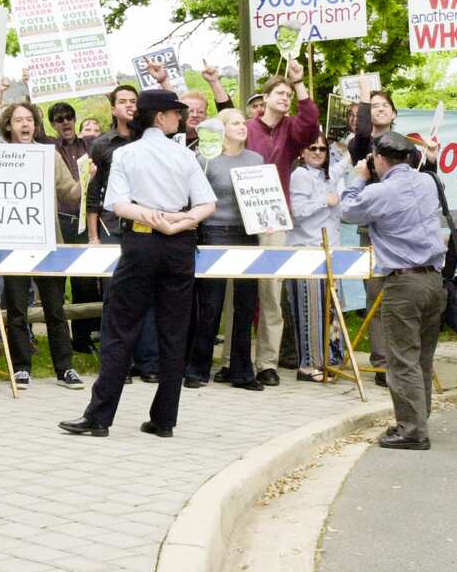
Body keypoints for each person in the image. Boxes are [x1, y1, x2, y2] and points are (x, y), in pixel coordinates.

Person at [59, 89, 216, 438]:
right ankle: (164, 420)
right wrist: (181, 221)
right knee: (174, 331)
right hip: (179, 244)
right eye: (176, 113)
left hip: (141, 241)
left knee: (120, 329)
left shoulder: (128, 154)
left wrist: (151, 217)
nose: (181, 117)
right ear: (160, 117)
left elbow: (116, 203)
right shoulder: (183, 156)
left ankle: (99, 416)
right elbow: (207, 204)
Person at [339, 132, 447, 450]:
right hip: (433, 280)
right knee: (423, 358)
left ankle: (412, 430)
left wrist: (359, 178)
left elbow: (347, 210)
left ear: (380, 159)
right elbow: (427, 173)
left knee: (401, 360)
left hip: (403, 283)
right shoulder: (428, 183)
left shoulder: (380, 192)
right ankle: (418, 418)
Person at [0, 103, 84, 389]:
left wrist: (87, 180)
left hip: (48, 242)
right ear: (8, 125)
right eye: (18, 119)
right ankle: (21, 367)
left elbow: (69, 191)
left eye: (29, 120)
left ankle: (65, 368)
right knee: (18, 309)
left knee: (55, 309)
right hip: (14, 243)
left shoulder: (50, 155)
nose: (25, 124)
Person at [244, 60, 319, 386]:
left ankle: (267, 362)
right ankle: (233, 360)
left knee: (271, 293)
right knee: (238, 292)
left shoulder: (291, 129)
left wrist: (300, 83)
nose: (285, 97)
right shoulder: (246, 128)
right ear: (264, 98)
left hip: (275, 218)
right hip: (242, 216)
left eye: (289, 94)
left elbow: (311, 126)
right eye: (280, 92)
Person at [185, 109, 264, 390]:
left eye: (244, 122)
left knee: (245, 305)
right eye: (235, 123)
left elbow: (263, 199)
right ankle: (197, 369)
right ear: (222, 129)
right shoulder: (205, 160)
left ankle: (242, 372)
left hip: (247, 235)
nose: (242, 127)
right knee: (210, 305)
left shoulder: (256, 160)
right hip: (214, 233)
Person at [86, 84, 159, 382]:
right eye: (123, 101)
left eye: (134, 101)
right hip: (112, 227)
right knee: (115, 298)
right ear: (113, 108)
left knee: (148, 296)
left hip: (148, 227)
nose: (129, 106)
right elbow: (94, 192)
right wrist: (93, 236)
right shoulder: (102, 144)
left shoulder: (152, 141)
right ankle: (117, 363)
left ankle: (149, 363)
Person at [287, 133, 344, 383]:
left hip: (330, 249)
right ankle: (309, 365)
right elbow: (296, 212)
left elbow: (346, 163)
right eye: (313, 147)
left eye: (323, 148)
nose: (319, 152)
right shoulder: (300, 175)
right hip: (306, 249)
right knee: (311, 311)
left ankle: (331, 360)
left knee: (332, 309)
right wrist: (324, 200)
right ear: (302, 152)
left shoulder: (326, 175)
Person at [47, 101, 100, 354]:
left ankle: (82, 337)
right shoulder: (48, 147)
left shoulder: (89, 144)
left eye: (69, 117)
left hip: (82, 220)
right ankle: (59, 336)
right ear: (52, 124)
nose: (65, 122)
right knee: (57, 282)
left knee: (85, 281)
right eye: (59, 119)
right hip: (58, 219)